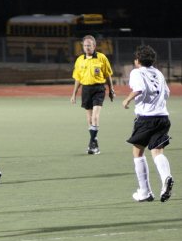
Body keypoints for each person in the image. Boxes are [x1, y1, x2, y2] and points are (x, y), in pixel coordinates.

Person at [123, 45, 174, 203]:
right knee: (157, 152)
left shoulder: (136, 72)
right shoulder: (158, 73)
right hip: (163, 117)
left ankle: (145, 191)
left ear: (137, 60)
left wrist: (127, 99)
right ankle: (166, 177)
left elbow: (139, 89)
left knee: (138, 153)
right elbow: (167, 93)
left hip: (146, 118)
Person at [70, 35, 115, 154]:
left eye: (89, 45)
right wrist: (74, 94)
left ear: (94, 46)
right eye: (85, 45)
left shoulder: (102, 58)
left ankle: (92, 142)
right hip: (86, 90)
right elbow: (78, 79)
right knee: (90, 119)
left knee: (95, 117)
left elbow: (108, 75)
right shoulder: (80, 60)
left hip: (99, 89)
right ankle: (94, 143)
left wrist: (111, 90)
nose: (87, 48)